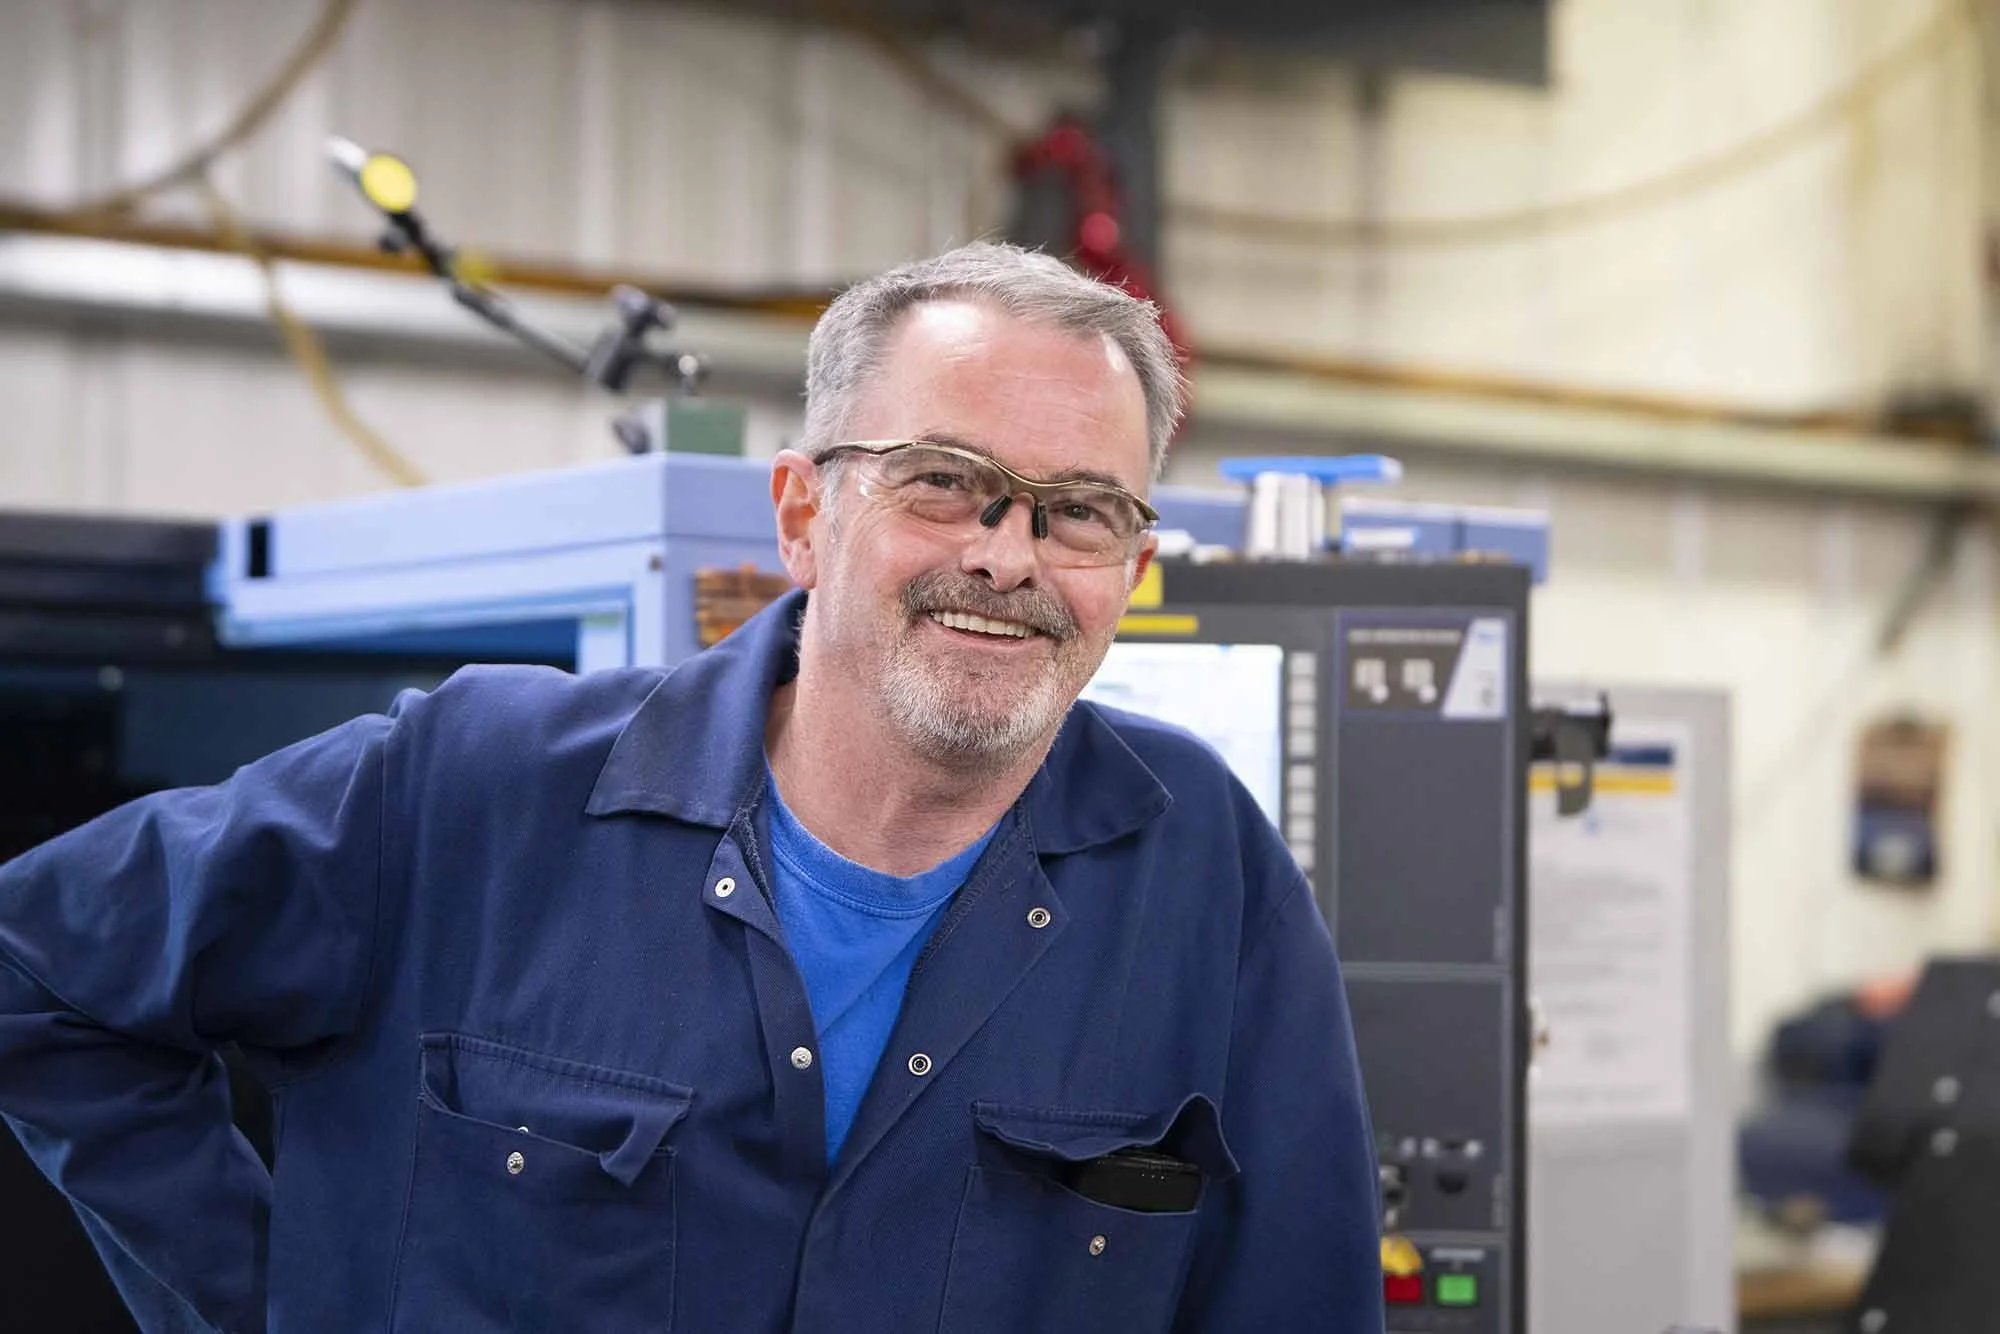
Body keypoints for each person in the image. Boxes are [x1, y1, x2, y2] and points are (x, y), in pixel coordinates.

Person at [0, 242, 1384, 1332]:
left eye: (1080, 508)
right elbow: (36, 964)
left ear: (1130, 566)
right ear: (802, 512)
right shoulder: (471, 793)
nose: (1009, 555)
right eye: (943, 482)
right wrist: (273, 1304)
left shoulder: (1210, 874)